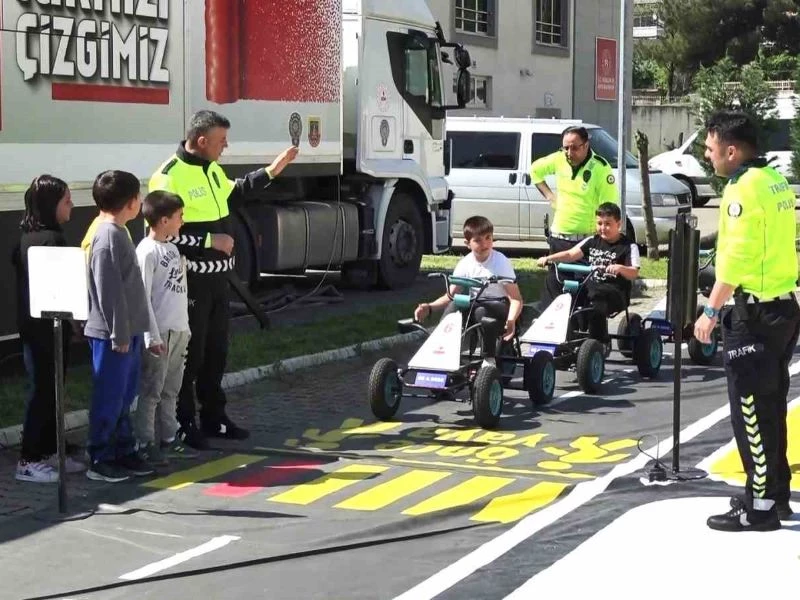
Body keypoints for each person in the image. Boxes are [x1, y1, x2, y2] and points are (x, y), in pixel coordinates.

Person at [149, 110, 298, 449]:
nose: (225, 146)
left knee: (216, 353)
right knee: (190, 357)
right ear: (202, 141)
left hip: (219, 281)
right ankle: (183, 423)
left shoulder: (212, 169)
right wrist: (209, 241)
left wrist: (272, 171)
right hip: (189, 283)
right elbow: (163, 235)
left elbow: (235, 193)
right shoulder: (168, 177)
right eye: (221, 141)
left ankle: (214, 417)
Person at [693, 110, 799, 532]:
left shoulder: (742, 189)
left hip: (753, 314)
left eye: (710, 147)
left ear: (732, 150)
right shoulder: (774, 181)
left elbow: (735, 260)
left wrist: (710, 311)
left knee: (751, 411)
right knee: (772, 406)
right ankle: (776, 494)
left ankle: (759, 506)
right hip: (782, 308)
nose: (707, 154)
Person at [12, 175, 86, 482]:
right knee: (45, 391)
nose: (71, 206)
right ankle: (29, 460)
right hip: (47, 328)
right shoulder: (51, 240)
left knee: (50, 389)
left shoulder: (28, 238)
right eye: (66, 201)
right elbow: (63, 288)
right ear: (50, 204)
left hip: (34, 326)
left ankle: (49, 449)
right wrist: (76, 321)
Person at [84, 170, 154, 483]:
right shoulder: (107, 235)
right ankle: (99, 456)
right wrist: (119, 332)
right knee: (110, 397)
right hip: (113, 334)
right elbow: (108, 290)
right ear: (131, 202)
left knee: (124, 397)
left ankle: (123, 450)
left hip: (128, 331)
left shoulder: (118, 230)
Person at [134, 191, 199, 466]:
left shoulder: (172, 249)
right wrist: (151, 336)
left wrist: (186, 328)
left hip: (179, 330)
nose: (182, 221)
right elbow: (142, 297)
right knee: (152, 391)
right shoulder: (146, 252)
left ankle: (169, 438)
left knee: (172, 389)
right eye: (179, 216)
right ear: (163, 220)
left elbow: (178, 292)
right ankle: (144, 442)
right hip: (160, 333)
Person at [530, 125, 619, 311]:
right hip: (559, 238)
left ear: (586, 145)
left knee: (586, 297)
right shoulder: (559, 159)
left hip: (585, 241)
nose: (569, 153)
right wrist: (550, 197)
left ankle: (584, 328)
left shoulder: (600, 168)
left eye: (574, 148)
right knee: (556, 294)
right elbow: (535, 170)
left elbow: (609, 208)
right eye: (566, 148)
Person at [413, 215, 523, 360]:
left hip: (500, 305)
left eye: (488, 238)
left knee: (481, 312)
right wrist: (429, 307)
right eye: (478, 240)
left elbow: (516, 299)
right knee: (453, 308)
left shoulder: (501, 262)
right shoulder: (465, 264)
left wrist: (511, 321)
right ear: (467, 243)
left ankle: (488, 360)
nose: (484, 244)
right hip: (475, 304)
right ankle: (441, 355)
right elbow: (450, 296)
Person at [536, 202, 639, 341]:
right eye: (599, 223)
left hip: (615, 292)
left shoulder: (628, 246)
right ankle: (563, 329)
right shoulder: (592, 241)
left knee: (595, 296)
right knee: (555, 282)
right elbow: (570, 254)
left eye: (608, 224)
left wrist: (620, 268)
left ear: (618, 224)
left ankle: (598, 341)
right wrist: (549, 258)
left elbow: (634, 272)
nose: (603, 228)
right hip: (590, 286)